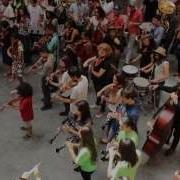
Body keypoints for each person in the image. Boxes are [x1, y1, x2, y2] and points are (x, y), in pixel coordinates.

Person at [159, 84, 180, 156]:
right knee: (170, 127)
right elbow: (171, 89)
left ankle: (172, 148)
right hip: (173, 113)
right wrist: (159, 86)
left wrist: (176, 102)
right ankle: (167, 139)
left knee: (177, 135)